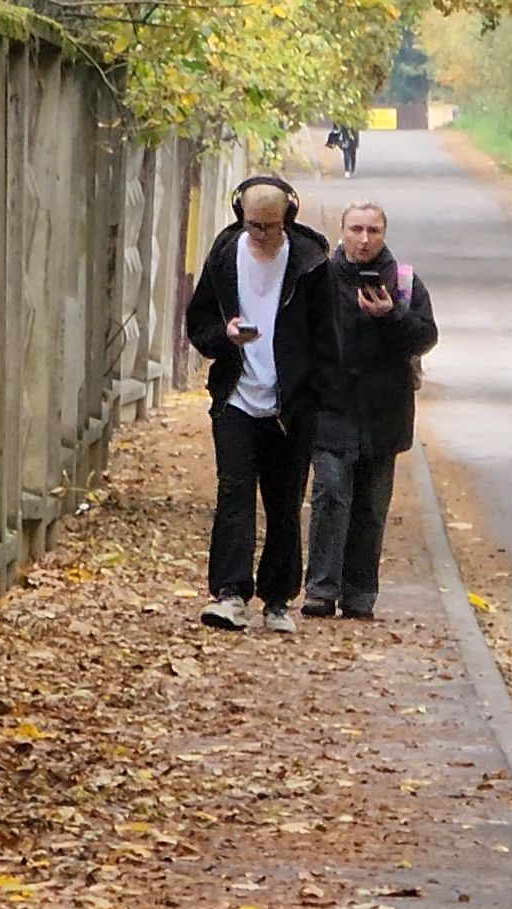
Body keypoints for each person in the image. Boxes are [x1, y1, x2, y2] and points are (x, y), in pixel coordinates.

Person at [185, 176, 341, 634]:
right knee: (233, 494)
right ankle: (230, 594)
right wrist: (226, 336)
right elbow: (199, 323)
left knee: (284, 502)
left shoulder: (311, 264)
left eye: (271, 227)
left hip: (291, 406)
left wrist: (318, 398)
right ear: (240, 216)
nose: (262, 235)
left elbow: (327, 337)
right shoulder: (224, 256)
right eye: (253, 225)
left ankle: (277, 599)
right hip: (236, 395)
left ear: (288, 218)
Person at [302, 201, 439, 620]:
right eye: (356, 229)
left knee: (370, 509)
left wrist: (391, 316)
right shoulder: (318, 278)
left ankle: (360, 594)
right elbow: (299, 340)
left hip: (384, 415)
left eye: (373, 231)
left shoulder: (403, 282)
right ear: (341, 231)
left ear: (384, 233)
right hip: (329, 411)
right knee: (329, 496)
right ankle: (321, 589)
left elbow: (424, 337)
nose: (364, 239)